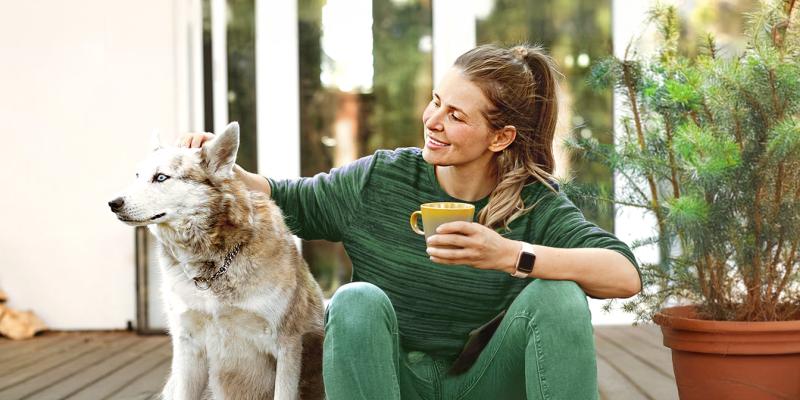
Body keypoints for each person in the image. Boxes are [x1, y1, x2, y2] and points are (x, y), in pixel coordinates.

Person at [179, 44, 641, 400]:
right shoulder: (382, 178)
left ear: (500, 138)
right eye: (436, 101)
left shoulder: (532, 202)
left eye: (455, 115)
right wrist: (223, 169)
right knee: (355, 300)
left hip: (482, 383)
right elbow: (286, 197)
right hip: (391, 382)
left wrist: (509, 255)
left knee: (559, 295)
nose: (433, 120)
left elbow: (624, 275)